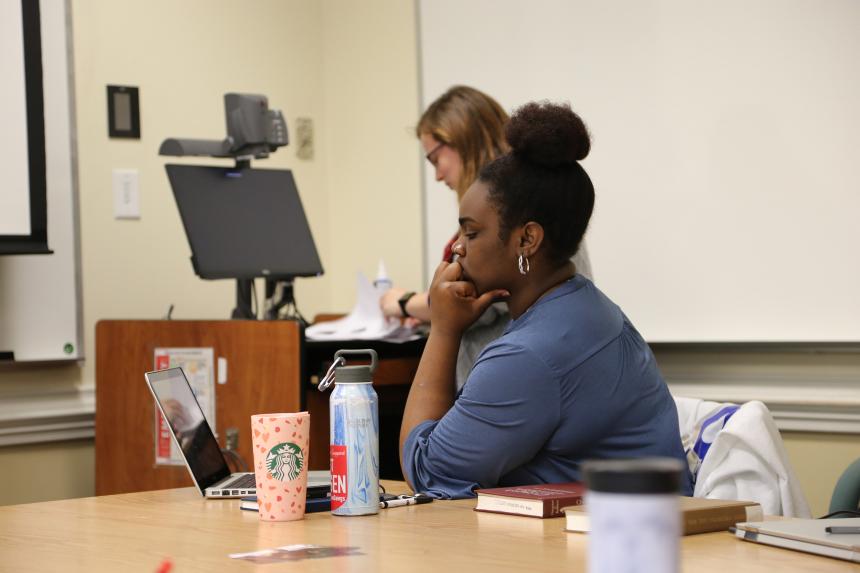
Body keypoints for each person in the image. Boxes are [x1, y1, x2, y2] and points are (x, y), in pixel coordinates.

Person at [399, 101, 692, 499]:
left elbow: (427, 470)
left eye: (471, 233)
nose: (458, 252)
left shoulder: (529, 354)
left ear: (526, 240)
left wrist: (444, 329)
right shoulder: (591, 310)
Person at [381, 86, 592, 388]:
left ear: (463, 141)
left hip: (510, 381)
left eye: (435, 159)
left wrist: (404, 303)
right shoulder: (542, 198)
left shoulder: (510, 215)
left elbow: (463, 298)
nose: (438, 176)